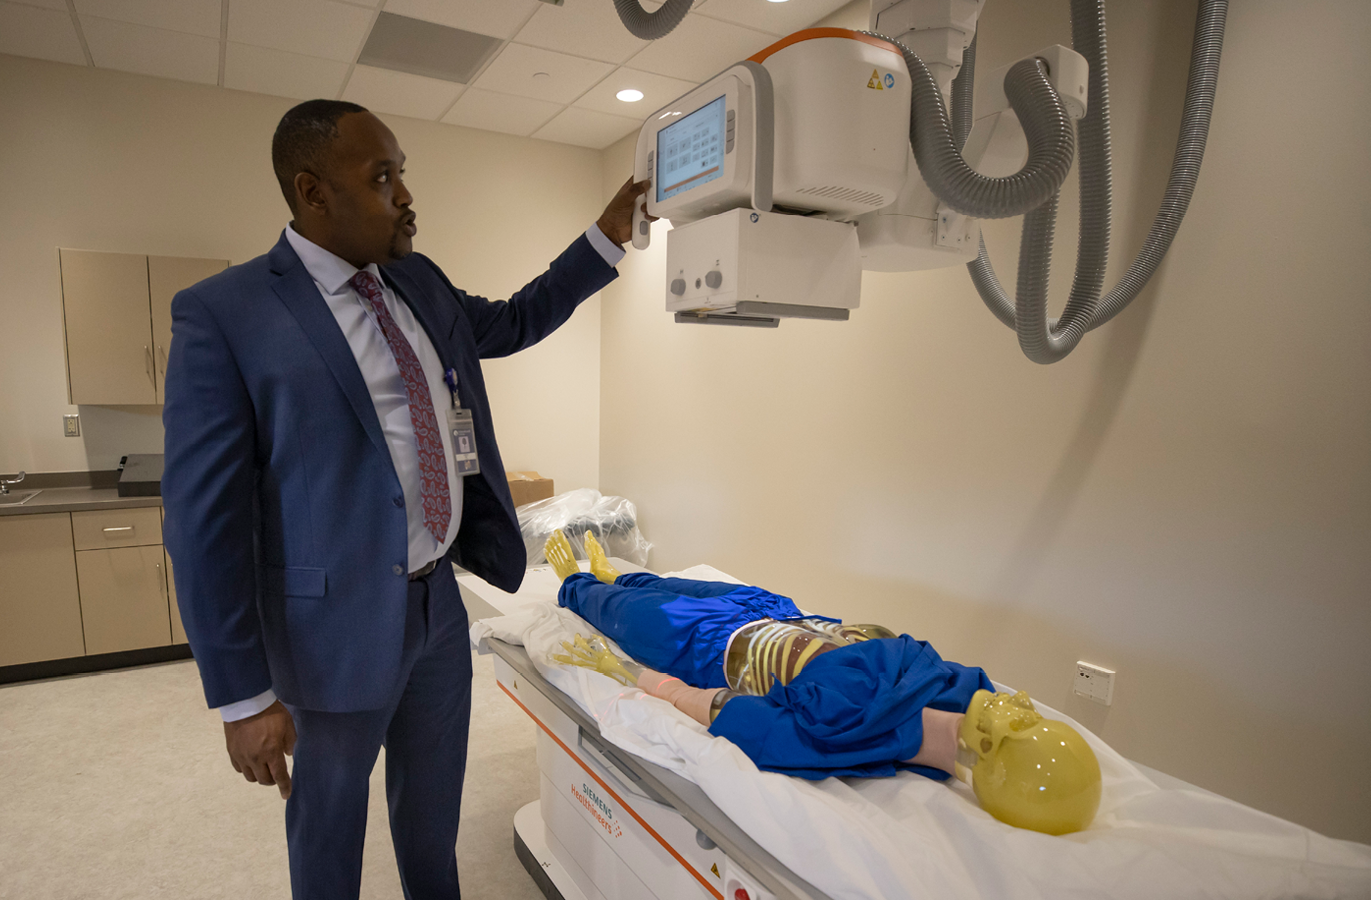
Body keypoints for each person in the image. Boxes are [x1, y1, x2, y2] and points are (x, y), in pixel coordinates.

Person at [161, 99, 651, 900]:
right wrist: (244, 697)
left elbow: (517, 318)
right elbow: (201, 520)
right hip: (328, 634)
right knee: (329, 830)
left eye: (402, 174)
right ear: (313, 192)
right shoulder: (228, 314)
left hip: (436, 614)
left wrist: (606, 234)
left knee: (431, 820)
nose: (405, 196)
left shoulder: (415, 280)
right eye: (382, 176)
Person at [545, 530, 1103, 836]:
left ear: (987, 759)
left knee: (628, 612)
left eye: (1015, 727)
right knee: (674, 586)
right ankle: (625, 572)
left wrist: (635, 676)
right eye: (1026, 714)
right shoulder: (960, 689)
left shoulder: (850, 731)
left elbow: (732, 715)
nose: (1013, 709)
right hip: (781, 614)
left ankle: (579, 583)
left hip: (715, 649)